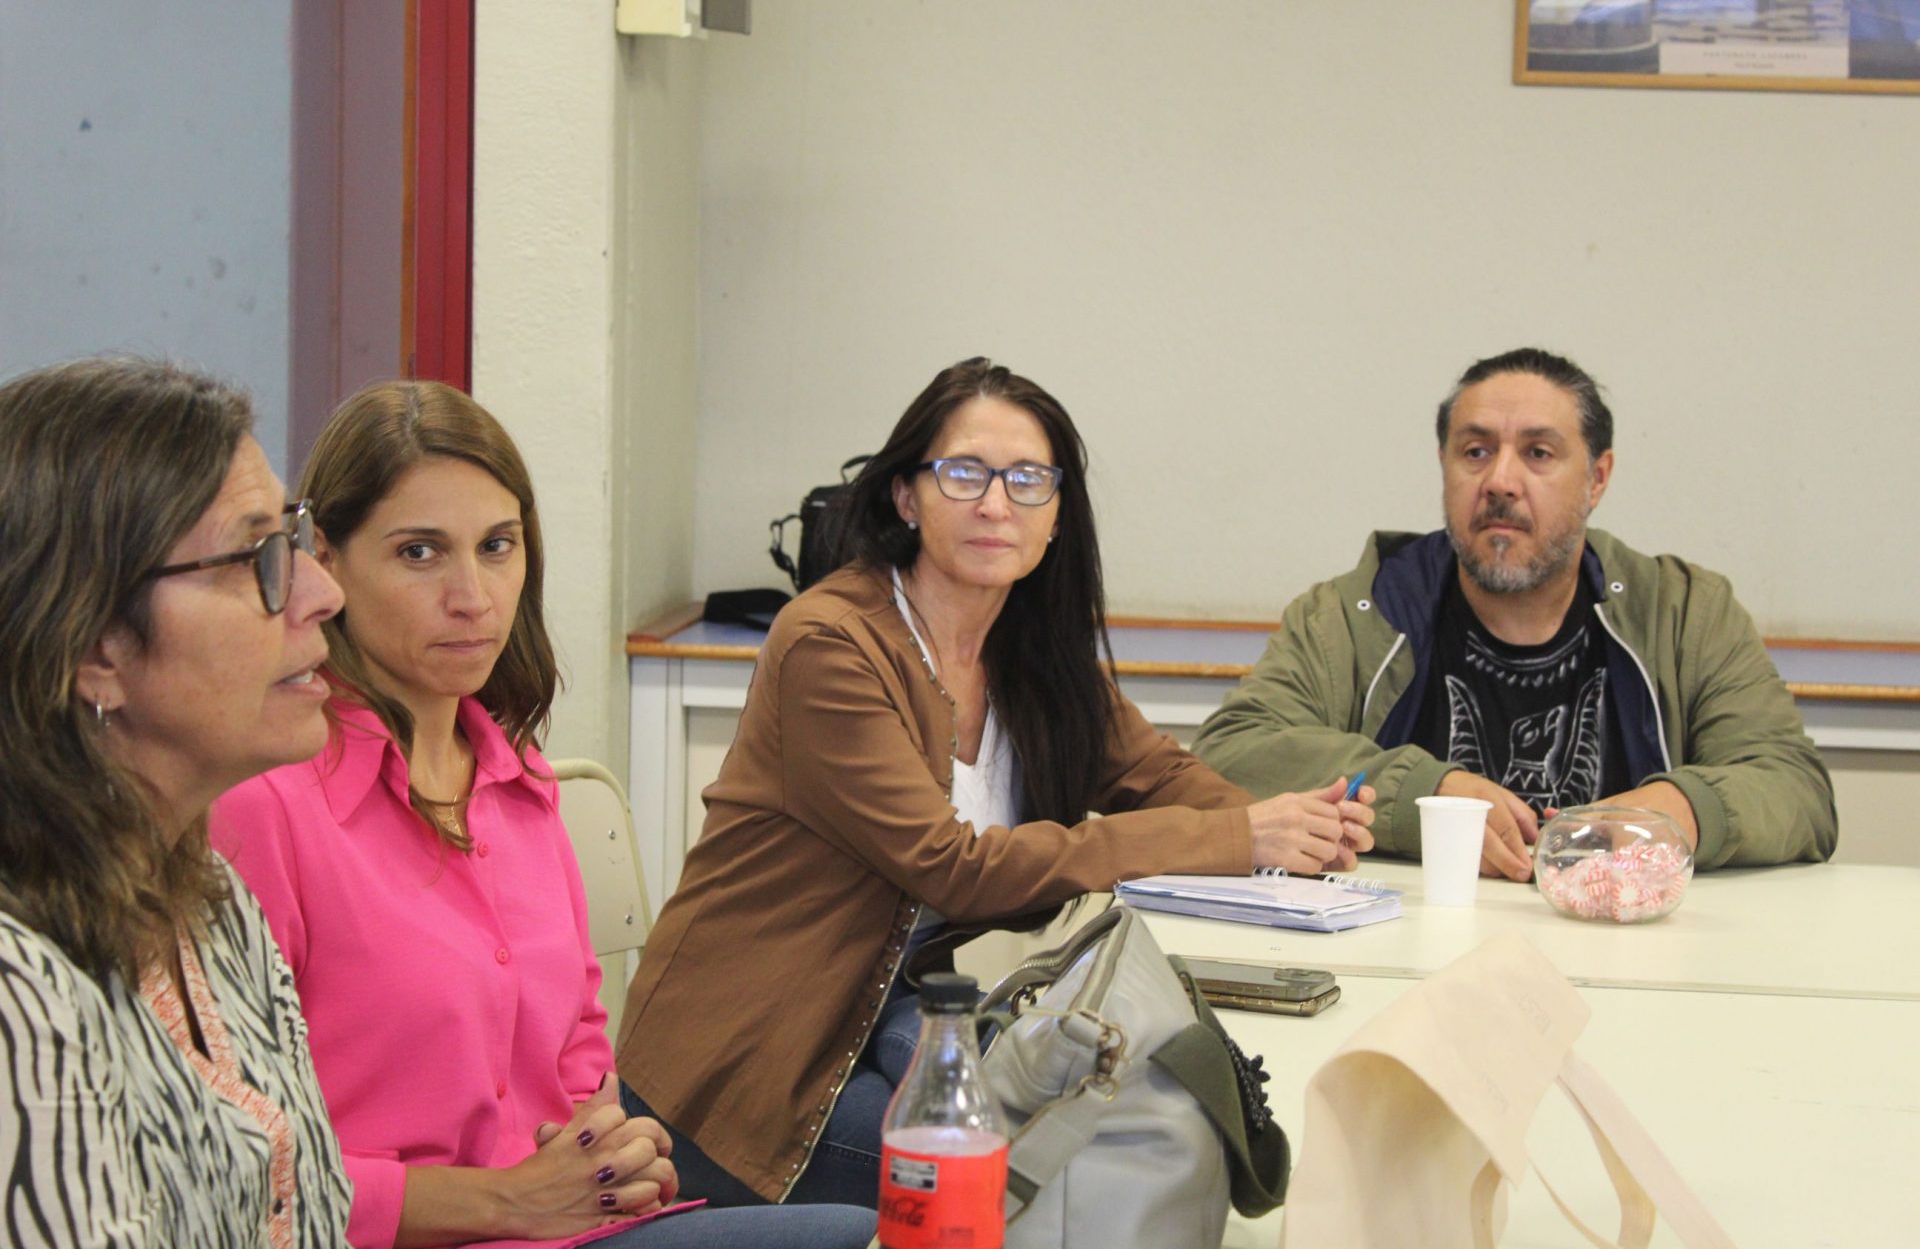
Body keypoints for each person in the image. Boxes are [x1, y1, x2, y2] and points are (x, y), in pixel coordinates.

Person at [616, 357, 1376, 1208]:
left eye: (1027, 479)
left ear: (1056, 514)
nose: (995, 503)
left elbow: (1158, 775)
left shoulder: (1029, 653)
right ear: (906, 497)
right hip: (748, 1062)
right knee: (1047, 1176)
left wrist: (1292, 829)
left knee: (1111, 1124)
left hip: (891, 1010)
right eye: (964, 473)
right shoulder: (830, 644)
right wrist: (1238, 838)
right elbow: (954, 868)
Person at [212, 382, 875, 1249]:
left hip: (570, 1229)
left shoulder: (516, 777)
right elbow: (237, 1168)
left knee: (884, 1226)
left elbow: (579, 1053)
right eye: (419, 553)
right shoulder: (263, 802)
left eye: (497, 546)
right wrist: (507, 1201)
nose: (473, 596)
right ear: (324, 564)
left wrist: (616, 1149)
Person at [1192, 346, 1837, 881]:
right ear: (1444, 467)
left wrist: (1671, 813)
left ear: (1597, 478)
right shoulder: (1356, 612)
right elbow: (1232, 753)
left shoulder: (1684, 613)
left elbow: (1795, 788)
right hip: (1405, 944)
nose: (1500, 481)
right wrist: (1428, 797)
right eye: (1475, 451)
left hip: (1626, 946)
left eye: (1538, 454)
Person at [0, 357, 353, 1245]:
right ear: (95, 649)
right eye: (258, 558)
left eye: (295, 539)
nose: (323, 593)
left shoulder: (213, 901)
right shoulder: (17, 990)